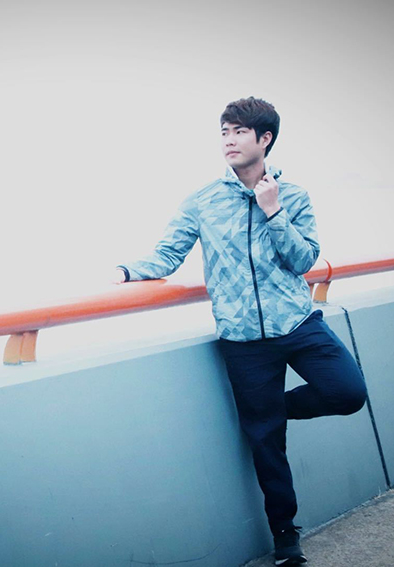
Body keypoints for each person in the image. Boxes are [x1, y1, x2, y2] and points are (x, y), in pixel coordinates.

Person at [113, 97, 368, 566]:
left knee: (348, 392)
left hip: (298, 323)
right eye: (224, 132)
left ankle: (271, 412)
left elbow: (303, 260)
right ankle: (286, 537)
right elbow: (168, 254)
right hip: (243, 339)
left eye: (239, 132)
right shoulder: (204, 200)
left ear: (264, 139)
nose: (228, 140)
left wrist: (273, 211)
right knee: (266, 444)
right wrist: (126, 271)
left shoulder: (293, 196)